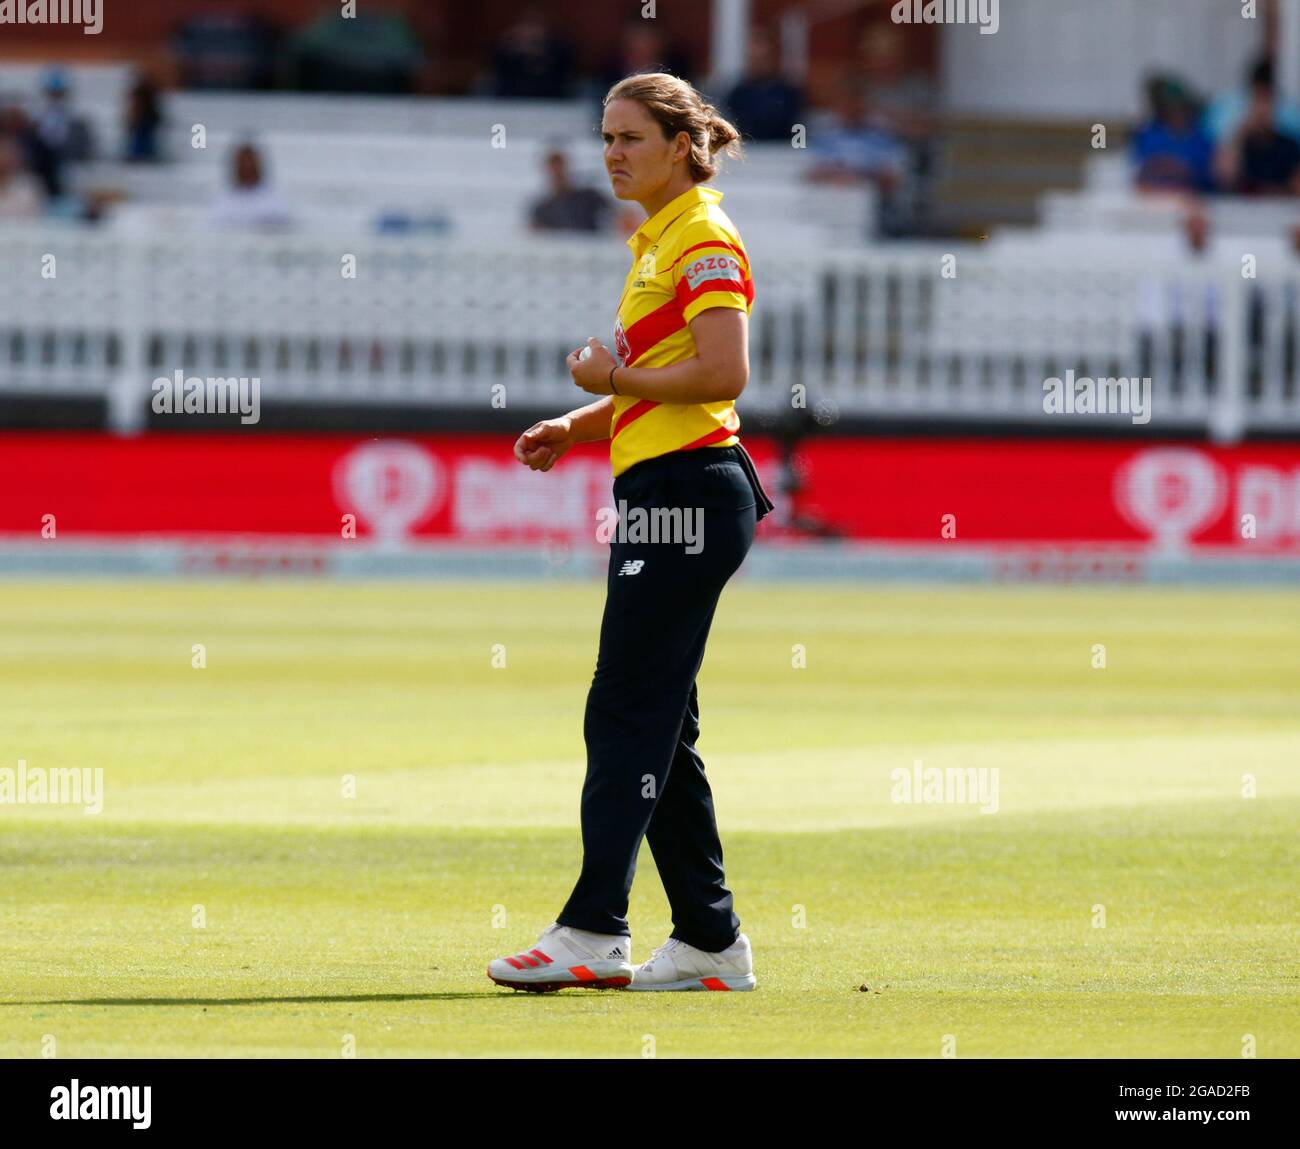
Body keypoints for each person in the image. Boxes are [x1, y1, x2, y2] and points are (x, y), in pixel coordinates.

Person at [488, 71, 774, 994]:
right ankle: (707, 941)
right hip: (668, 488)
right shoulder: (656, 241)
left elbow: (723, 371)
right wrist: (575, 426)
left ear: (682, 146)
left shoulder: (699, 235)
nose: (611, 153)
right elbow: (660, 375)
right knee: (662, 728)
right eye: (606, 136)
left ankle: (593, 927)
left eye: (631, 137)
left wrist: (609, 383)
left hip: (691, 493)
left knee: (624, 712)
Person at [1215, 61, 1300, 196]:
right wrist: (1240, 135)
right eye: (1258, 102)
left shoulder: (1289, 145)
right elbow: (1224, 177)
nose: (1262, 110)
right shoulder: (1240, 141)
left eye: (1267, 103)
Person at [1130, 75, 1215, 194]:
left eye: (1180, 108)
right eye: (1170, 109)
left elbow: (1210, 177)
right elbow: (1137, 170)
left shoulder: (1202, 137)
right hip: (1153, 200)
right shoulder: (1149, 135)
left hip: (1193, 199)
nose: (1177, 114)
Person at [722, 27, 803, 142]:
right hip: (747, 154)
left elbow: (800, 128)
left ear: (773, 57)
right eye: (755, 58)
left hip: (784, 154)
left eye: (763, 58)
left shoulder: (790, 94)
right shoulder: (737, 94)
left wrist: (798, 150)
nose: (759, 64)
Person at [209, 140, 292, 231]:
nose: (247, 167)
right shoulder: (221, 205)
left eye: (251, 163)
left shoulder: (277, 204)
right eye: (243, 164)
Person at [528, 147, 612, 232]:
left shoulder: (589, 197)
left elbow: (617, 215)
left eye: (560, 168)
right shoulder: (542, 209)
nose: (557, 174)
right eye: (554, 169)